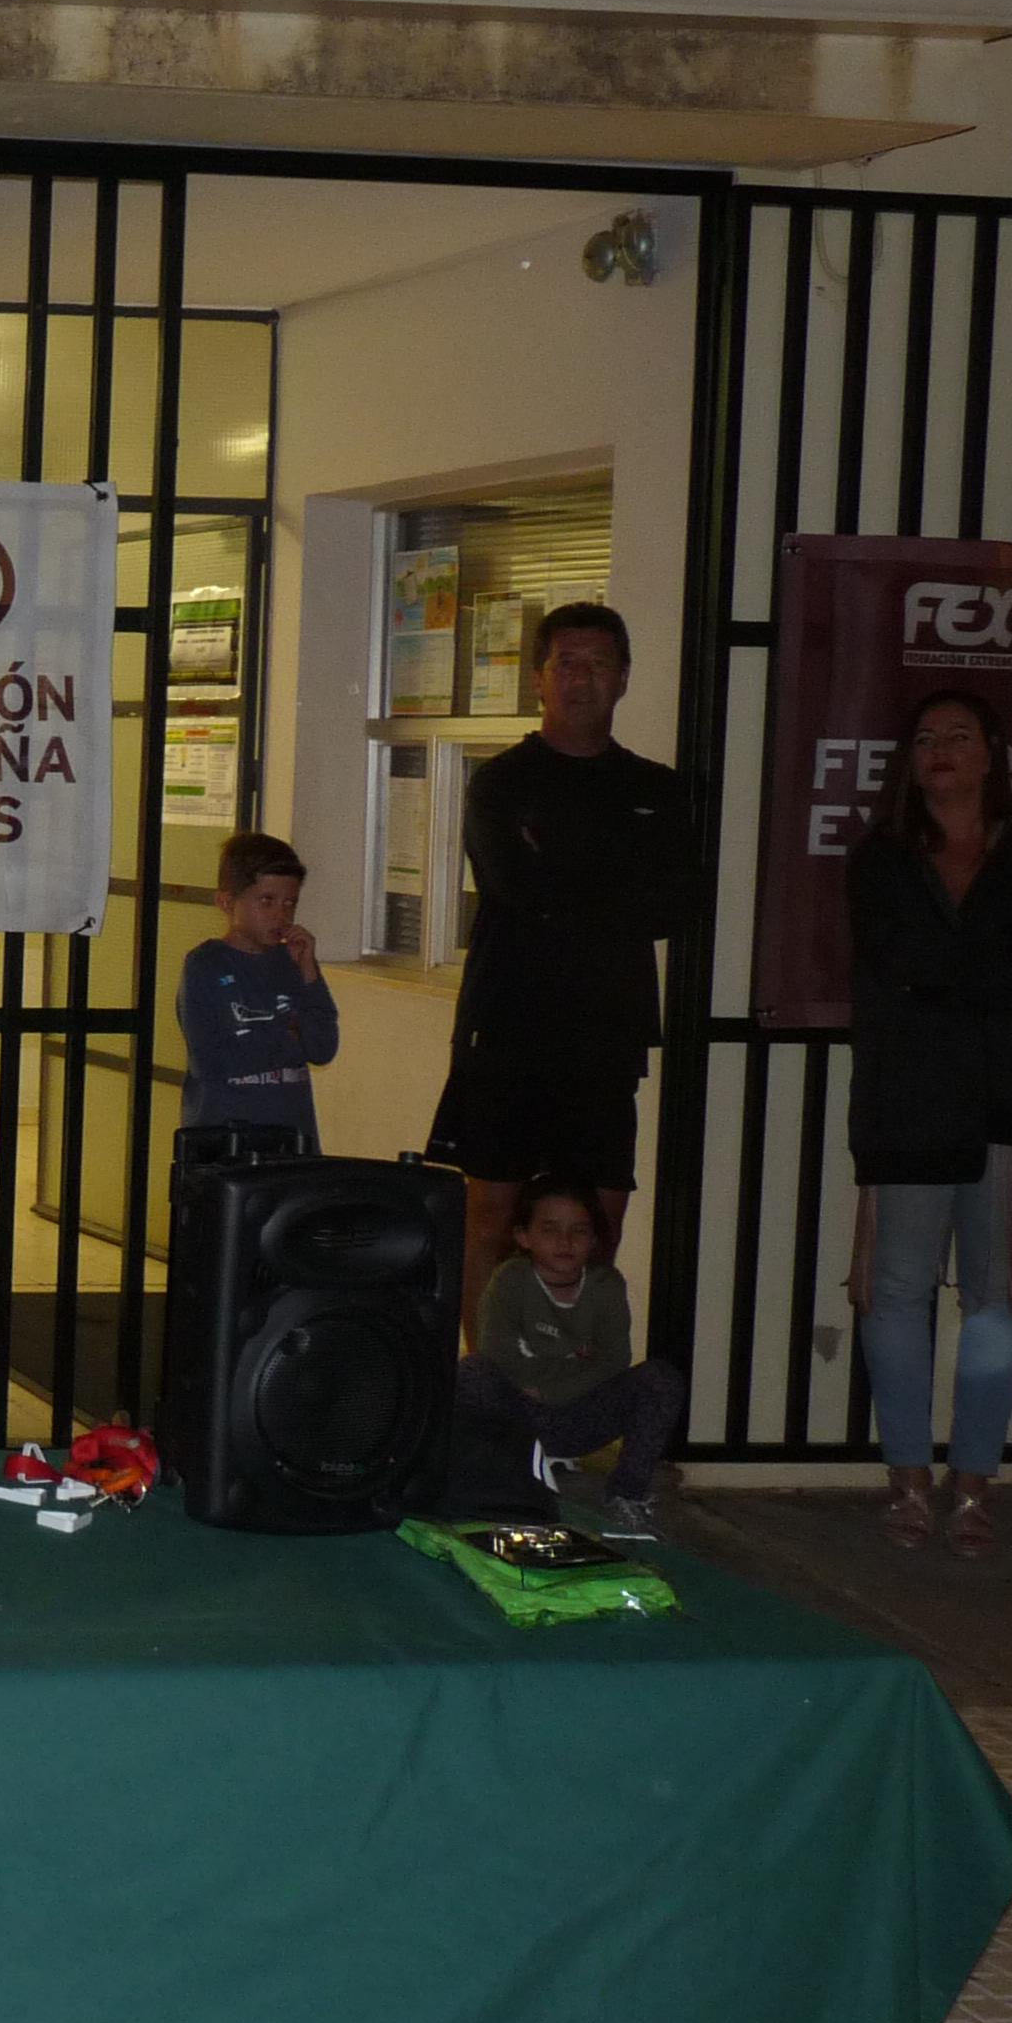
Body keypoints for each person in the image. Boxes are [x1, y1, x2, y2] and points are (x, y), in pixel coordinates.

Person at [427, 603, 693, 1311]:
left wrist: (562, 871)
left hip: (608, 1036)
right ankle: (489, 1373)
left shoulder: (658, 789)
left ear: (624, 678)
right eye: (566, 663)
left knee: (596, 1227)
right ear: (539, 679)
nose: (582, 678)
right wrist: (613, 879)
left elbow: (673, 907)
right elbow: (518, 889)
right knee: (491, 1222)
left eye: (599, 664)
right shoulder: (500, 783)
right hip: (506, 1030)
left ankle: (576, 1371)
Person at [840, 688, 1012, 1554]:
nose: (940, 749)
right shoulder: (880, 859)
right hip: (907, 1103)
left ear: (992, 754)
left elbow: (953, 973)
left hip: (1007, 1105)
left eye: (958, 735)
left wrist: (958, 979)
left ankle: (973, 1489)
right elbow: (905, 963)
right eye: (924, 739)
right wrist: (986, 976)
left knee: (998, 1301)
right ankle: (909, 1483)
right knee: (898, 1295)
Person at [459, 1174, 688, 1540]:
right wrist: (539, 1384)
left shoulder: (606, 1286)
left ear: (594, 1240)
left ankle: (627, 1496)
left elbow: (613, 1360)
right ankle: (493, 1485)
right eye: (549, 1229)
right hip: (521, 1415)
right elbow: (497, 1351)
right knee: (472, 1373)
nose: (564, 1242)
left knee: (661, 1379)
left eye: (578, 1231)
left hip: (582, 1413)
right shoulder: (510, 1280)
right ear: (523, 1236)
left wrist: (550, 1390)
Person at [177, 829, 339, 1149]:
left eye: (290, 903)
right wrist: (290, 1037)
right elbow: (209, 1062)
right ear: (227, 902)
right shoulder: (205, 965)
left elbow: (322, 1048)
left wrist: (309, 971)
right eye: (266, 901)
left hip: (292, 1141)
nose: (281, 914)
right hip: (226, 1142)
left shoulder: (294, 962)